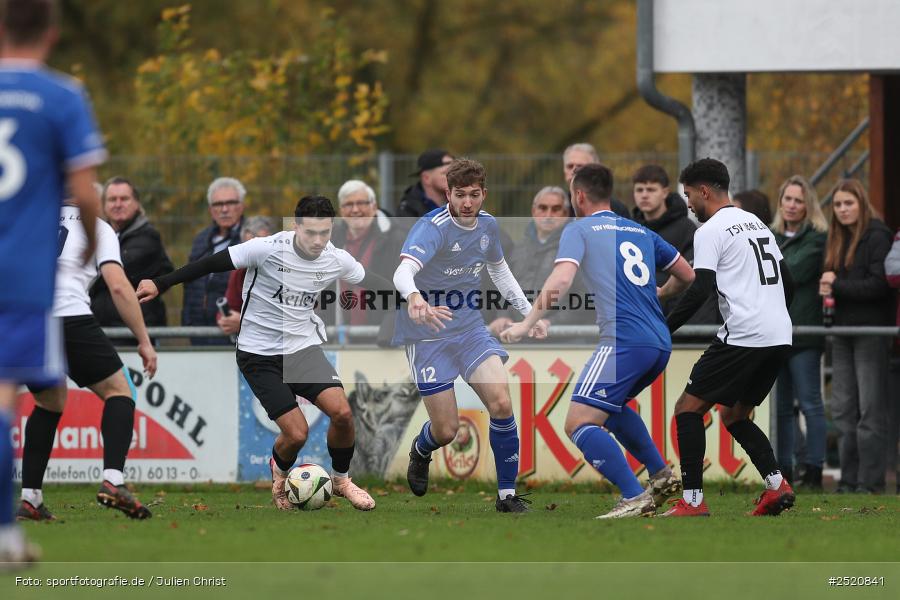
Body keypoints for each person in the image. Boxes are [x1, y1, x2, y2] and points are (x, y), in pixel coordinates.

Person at [137, 196, 382, 511]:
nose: (318, 241)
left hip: (303, 350)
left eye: (325, 232)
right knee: (296, 435)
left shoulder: (336, 258)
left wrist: (414, 300)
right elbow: (209, 263)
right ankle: (280, 476)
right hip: (258, 355)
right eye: (311, 233)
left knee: (343, 414)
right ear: (296, 227)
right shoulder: (266, 248)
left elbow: (372, 282)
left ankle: (341, 480)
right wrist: (161, 283)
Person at [502, 164, 694, 518]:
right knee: (613, 409)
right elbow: (686, 274)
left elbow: (560, 281)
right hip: (658, 341)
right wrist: (661, 293)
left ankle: (634, 496)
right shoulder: (638, 229)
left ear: (578, 195)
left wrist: (527, 321)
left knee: (578, 422)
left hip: (623, 341)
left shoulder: (581, 229)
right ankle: (661, 475)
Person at [0, 0, 105, 564]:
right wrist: (88, 241)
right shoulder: (62, 95)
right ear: (53, 32)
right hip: (18, 275)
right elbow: (84, 192)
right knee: (3, 398)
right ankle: (4, 535)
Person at [393, 158, 540, 513]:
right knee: (447, 430)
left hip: (471, 329)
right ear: (448, 193)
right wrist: (415, 299)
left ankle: (506, 496)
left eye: (475, 195)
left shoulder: (488, 225)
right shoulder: (433, 228)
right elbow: (403, 272)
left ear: (484, 194)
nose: (468, 202)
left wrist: (529, 313)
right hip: (428, 336)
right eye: (461, 195)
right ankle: (421, 449)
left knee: (502, 404)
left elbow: (500, 271)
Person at [662, 158, 795, 517]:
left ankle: (692, 501)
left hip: (746, 335)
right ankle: (776, 485)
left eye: (689, 194)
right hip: (779, 334)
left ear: (704, 191)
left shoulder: (710, 230)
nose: (688, 203)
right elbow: (788, 279)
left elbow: (700, 287)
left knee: (687, 409)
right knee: (735, 415)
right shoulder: (757, 223)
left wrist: (663, 328)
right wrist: (775, 316)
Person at [18, 201, 158, 522]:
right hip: (68, 315)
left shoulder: (29, 215)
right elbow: (119, 286)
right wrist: (144, 340)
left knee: (49, 402)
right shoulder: (98, 226)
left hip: (27, 321)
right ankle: (113, 480)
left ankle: (30, 499)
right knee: (120, 391)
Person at [819, 179, 893, 494]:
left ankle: (871, 482)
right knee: (843, 410)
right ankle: (847, 481)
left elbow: (880, 285)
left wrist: (836, 285)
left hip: (870, 332)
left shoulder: (878, 236)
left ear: (861, 204)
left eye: (849, 203)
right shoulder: (835, 238)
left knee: (870, 411)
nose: (843, 209)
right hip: (841, 332)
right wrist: (826, 289)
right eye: (837, 205)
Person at [770, 175, 828, 489]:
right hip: (775, 332)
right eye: (787, 199)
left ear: (808, 205)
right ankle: (784, 471)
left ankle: (815, 471)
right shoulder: (768, 233)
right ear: (780, 202)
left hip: (804, 332)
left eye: (798, 200)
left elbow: (793, 271)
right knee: (780, 408)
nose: (792, 205)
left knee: (810, 403)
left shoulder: (818, 238)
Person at [487, 186, 589, 338]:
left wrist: (551, 322)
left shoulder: (574, 251)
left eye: (556, 209)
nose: (548, 215)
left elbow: (585, 300)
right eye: (543, 208)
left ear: (566, 214)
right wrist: (502, 315)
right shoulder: (518, 249)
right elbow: (505, 288)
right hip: (516, 339)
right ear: (534, 211)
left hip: (560, 342)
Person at [631, 164, 716, 321]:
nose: (644, 195)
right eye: (639, 190)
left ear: (665, 192)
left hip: (677, 320)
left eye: (651, 190)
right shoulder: (629, 230)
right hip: (640, 317)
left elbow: (693, 278)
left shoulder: (686, 229)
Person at [90, 176, 173, 331]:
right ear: (104, 205)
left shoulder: (148, 237)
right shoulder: (99, 235)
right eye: (112, 199)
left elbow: (110, 271)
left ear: (136, 203)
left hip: (136, 332)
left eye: (124, 199)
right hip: (101, 328)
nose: (118, 204)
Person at [329, 180, 405, 331]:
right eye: (348, 205)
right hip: (337, 335)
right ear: (341, 211)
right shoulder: (331, 241)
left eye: (361, 203)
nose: (355, 210)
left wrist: (391, 323)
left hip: (381, 334)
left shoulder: (396, 240)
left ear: (374, 206)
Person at [182, 177, 246, 344]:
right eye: (218, 204)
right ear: (211, 210)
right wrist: (187, 322)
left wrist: (246, 321)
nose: (224, 209)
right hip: (198, 333)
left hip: (236, 336)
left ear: (241, 206)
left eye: (230, 203)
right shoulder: (200, 240)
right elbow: (190, 285)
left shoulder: (250, 240)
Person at [216, 216, 276, 337]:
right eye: (249, 248)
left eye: (261, 246)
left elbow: (294, 320)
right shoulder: (240, 271)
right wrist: (226, 318)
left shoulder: (289, 271)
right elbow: (231, 304)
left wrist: (245, 323)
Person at [561, 143, 629, 218]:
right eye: (570, 166)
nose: (574, 170)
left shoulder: (616, 209)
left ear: (595, 169)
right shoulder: (556, 206)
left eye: (580, 167)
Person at [396, 149, 453, 219]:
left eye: (455, 173)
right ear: (426, 178)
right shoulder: (408, 210)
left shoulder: (463, 203)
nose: (454, 177)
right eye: (446, 173)